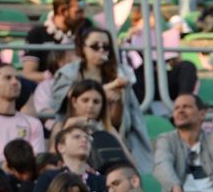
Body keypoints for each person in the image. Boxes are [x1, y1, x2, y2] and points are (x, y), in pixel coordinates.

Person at [52, 27, 153, 172]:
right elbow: (63, 101)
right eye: (95, 46)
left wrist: (117, 99)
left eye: (106, 47)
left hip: (106, 133)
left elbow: (117, 122)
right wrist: (110, 87)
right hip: (73, 131)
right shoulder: (69, 73)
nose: (101, 51)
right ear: (82, 48)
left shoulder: (119, 72)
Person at [50, 80, 131, 171]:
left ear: (102, 105)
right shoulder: (60, 126)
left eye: (96, 102)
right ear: (74, 102)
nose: (90, 105)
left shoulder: (108, 129)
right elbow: (52, 161)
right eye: (85, 100)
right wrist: (68, 128)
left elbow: (130, 162)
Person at [0, 64, 46, 162]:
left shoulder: (33, 124)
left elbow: (37, 160)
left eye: (17, 78)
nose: (15, 82)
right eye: (8, 78)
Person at [21, 0, 89, 83]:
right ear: (62, 11)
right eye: (78, 12)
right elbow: (28, 74)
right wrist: (54, 76)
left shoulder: (86, 27)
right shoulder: (37, 34)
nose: (83, 16)